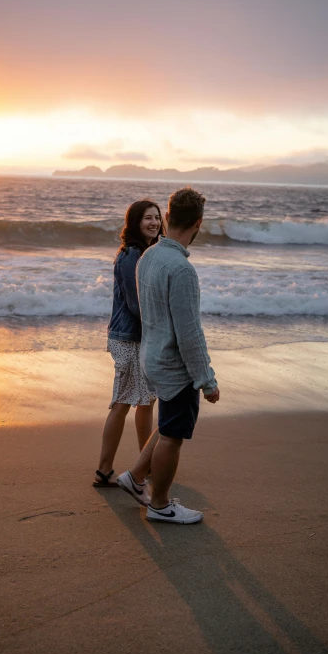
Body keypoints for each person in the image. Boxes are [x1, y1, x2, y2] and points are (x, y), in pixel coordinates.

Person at [117, 187, 219, 523]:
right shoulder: (182, 270)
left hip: (151, 357)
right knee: (173, 437)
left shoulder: (149, 257)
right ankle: (160, 505)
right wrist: (206, 379)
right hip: (174, 367)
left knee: (166, 424)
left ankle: (134, 476)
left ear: (166, 217)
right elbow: (190, 334)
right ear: (198, 224)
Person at [93, 200, 163, 488]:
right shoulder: (130, 255)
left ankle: (143, 466)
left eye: (157, 218)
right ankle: (103, 470)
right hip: (127, 337)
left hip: (142, 337)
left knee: (146, 402)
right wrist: (164, 326)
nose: (154, 223)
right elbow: (136, 305)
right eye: (148, 218)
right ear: (135, 222)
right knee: (122, 403)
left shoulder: (148, 253)